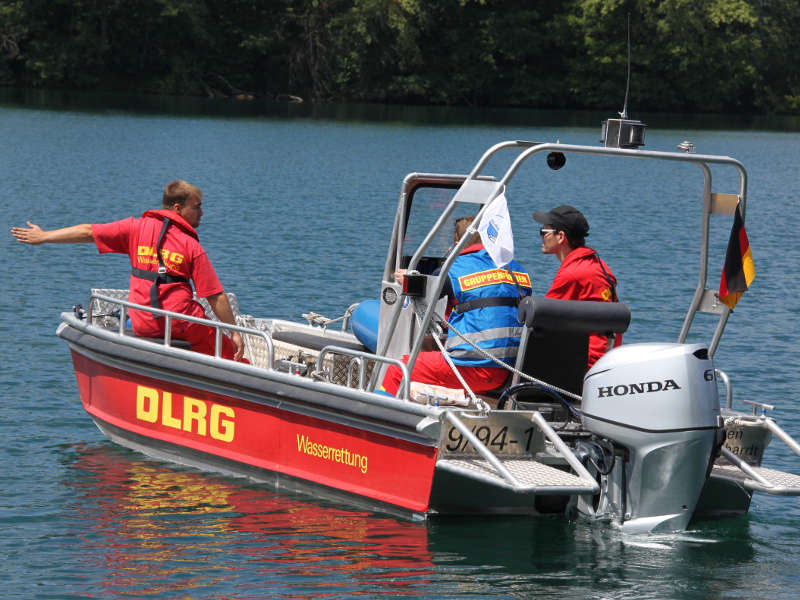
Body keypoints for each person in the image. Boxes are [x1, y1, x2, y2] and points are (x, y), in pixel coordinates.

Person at [11, 180, 244, 361]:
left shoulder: (136, 228)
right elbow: (215, 296)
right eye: (197, 207)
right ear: (178, 208)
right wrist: (234, 332)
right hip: (178, 322)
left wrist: (44, 237)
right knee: (227, 349)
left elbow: (88, 231)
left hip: (143, 320)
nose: (202, 213)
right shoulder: (191, 245)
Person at [381, 216, 532, 395]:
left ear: (457, 242)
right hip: (511, 368)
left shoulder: (454, 269)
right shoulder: (518, 270)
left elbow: (426, 291)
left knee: (398, 370)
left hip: (475, 368)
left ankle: (377, 418)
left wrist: (409, 278)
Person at [532, 204, 621, 368]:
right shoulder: (598, 265)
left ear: (561, 237)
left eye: (544, 233)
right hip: (607, 356)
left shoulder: (572, 273)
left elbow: (541, 320)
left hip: (586, 361)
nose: (541, 237)